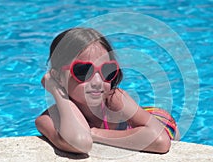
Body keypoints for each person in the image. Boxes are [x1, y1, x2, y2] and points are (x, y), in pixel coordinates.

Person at [35, 27, 179, 154]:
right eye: (83, 71)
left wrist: (95, 133)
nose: (98, 82)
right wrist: (56, 91)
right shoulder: (47, 120)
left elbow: (160, 141)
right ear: (58, 76)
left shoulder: (113, 98)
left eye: (107, 70)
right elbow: (80, 143)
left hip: (159, 120)